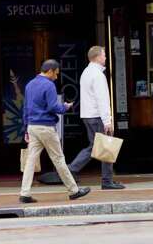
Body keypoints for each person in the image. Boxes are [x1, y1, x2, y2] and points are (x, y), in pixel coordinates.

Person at [20, 59, 91, 203]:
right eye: (56, 74)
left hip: (32, 127)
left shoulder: (29, 84)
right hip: (46, 127)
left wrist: (25, 128)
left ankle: (25, 193)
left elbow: (25, 109)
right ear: (50, 71)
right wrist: (65, 107)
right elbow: (53, 107)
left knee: (31, 161)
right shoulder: (49, 85)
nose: (56, 77)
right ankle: (74, 190)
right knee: (58, 159)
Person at [68, 46, 124, 189]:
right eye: (104, 55)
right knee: (105, 146)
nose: (106, 58)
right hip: (97, 116)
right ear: (97, 57)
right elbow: (102, 99)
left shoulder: (86, 72)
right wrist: (108, 120)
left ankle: (74, 169)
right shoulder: (98, 75)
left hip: (88, 115)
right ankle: (105, 180)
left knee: (96, 146)